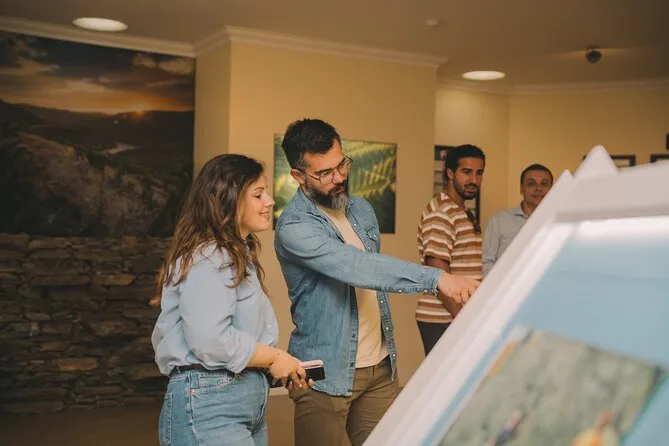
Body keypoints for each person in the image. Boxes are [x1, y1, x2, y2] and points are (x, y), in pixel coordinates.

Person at [274, 118, 479, 446]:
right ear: (299, 176)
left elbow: (374, 279)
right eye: (325, 173)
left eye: (342, 165)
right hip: (326, 373)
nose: (340, 177)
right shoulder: (295, 227)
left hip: (380, 367)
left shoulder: (361, 209)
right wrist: (437, 278)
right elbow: (358, 267)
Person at [151, 154, 311, 446]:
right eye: (258, 194)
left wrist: (278, 365)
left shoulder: (235, 256)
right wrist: (274, 357)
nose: (269, 202)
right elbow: (211, 340)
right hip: (211, 404)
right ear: (228, 199)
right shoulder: (210, 256)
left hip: (239, 400)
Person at [416, 144, 486, 355]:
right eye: (467, 172)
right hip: (444, 317)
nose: (474, 180)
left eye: (479, 172)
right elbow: (438, 275)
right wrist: (464, 318)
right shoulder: (442, 213)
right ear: (450, 173)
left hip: (457, 315)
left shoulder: (460, 211)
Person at [482, 163, 553, 277]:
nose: (538, 189)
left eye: (544, 184)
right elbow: (486, 262)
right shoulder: (499, 221)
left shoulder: (560, 224)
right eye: (531, 184)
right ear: (521, 188)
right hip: (506, 287)